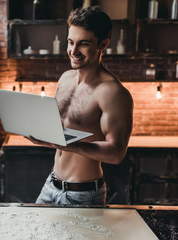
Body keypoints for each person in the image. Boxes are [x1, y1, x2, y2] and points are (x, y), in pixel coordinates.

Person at [28, 6, 134, 205]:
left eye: (83, 44)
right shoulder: (65, 79)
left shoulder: (112, 92)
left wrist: (64, 144)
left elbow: (116, 153)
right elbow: (58, 126)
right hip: (50, 186)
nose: (73, 51)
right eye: (70, 42)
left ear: (103, 44)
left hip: (82, 195)